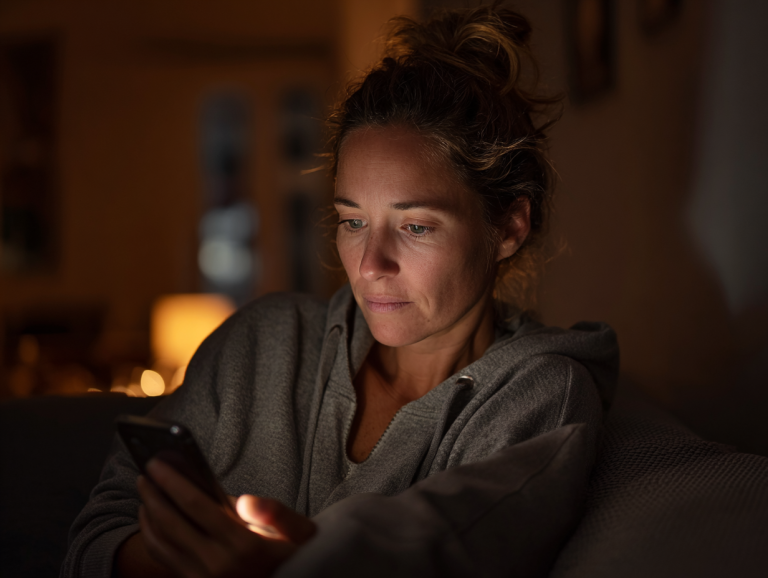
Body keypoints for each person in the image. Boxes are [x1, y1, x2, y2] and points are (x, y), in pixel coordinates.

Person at [62, 5, 618, 578]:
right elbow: (96, 540)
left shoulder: (538, 395)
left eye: (416, 226)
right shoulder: (259, 342)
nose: (370, 265)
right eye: (353, 221)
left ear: (509, 227)